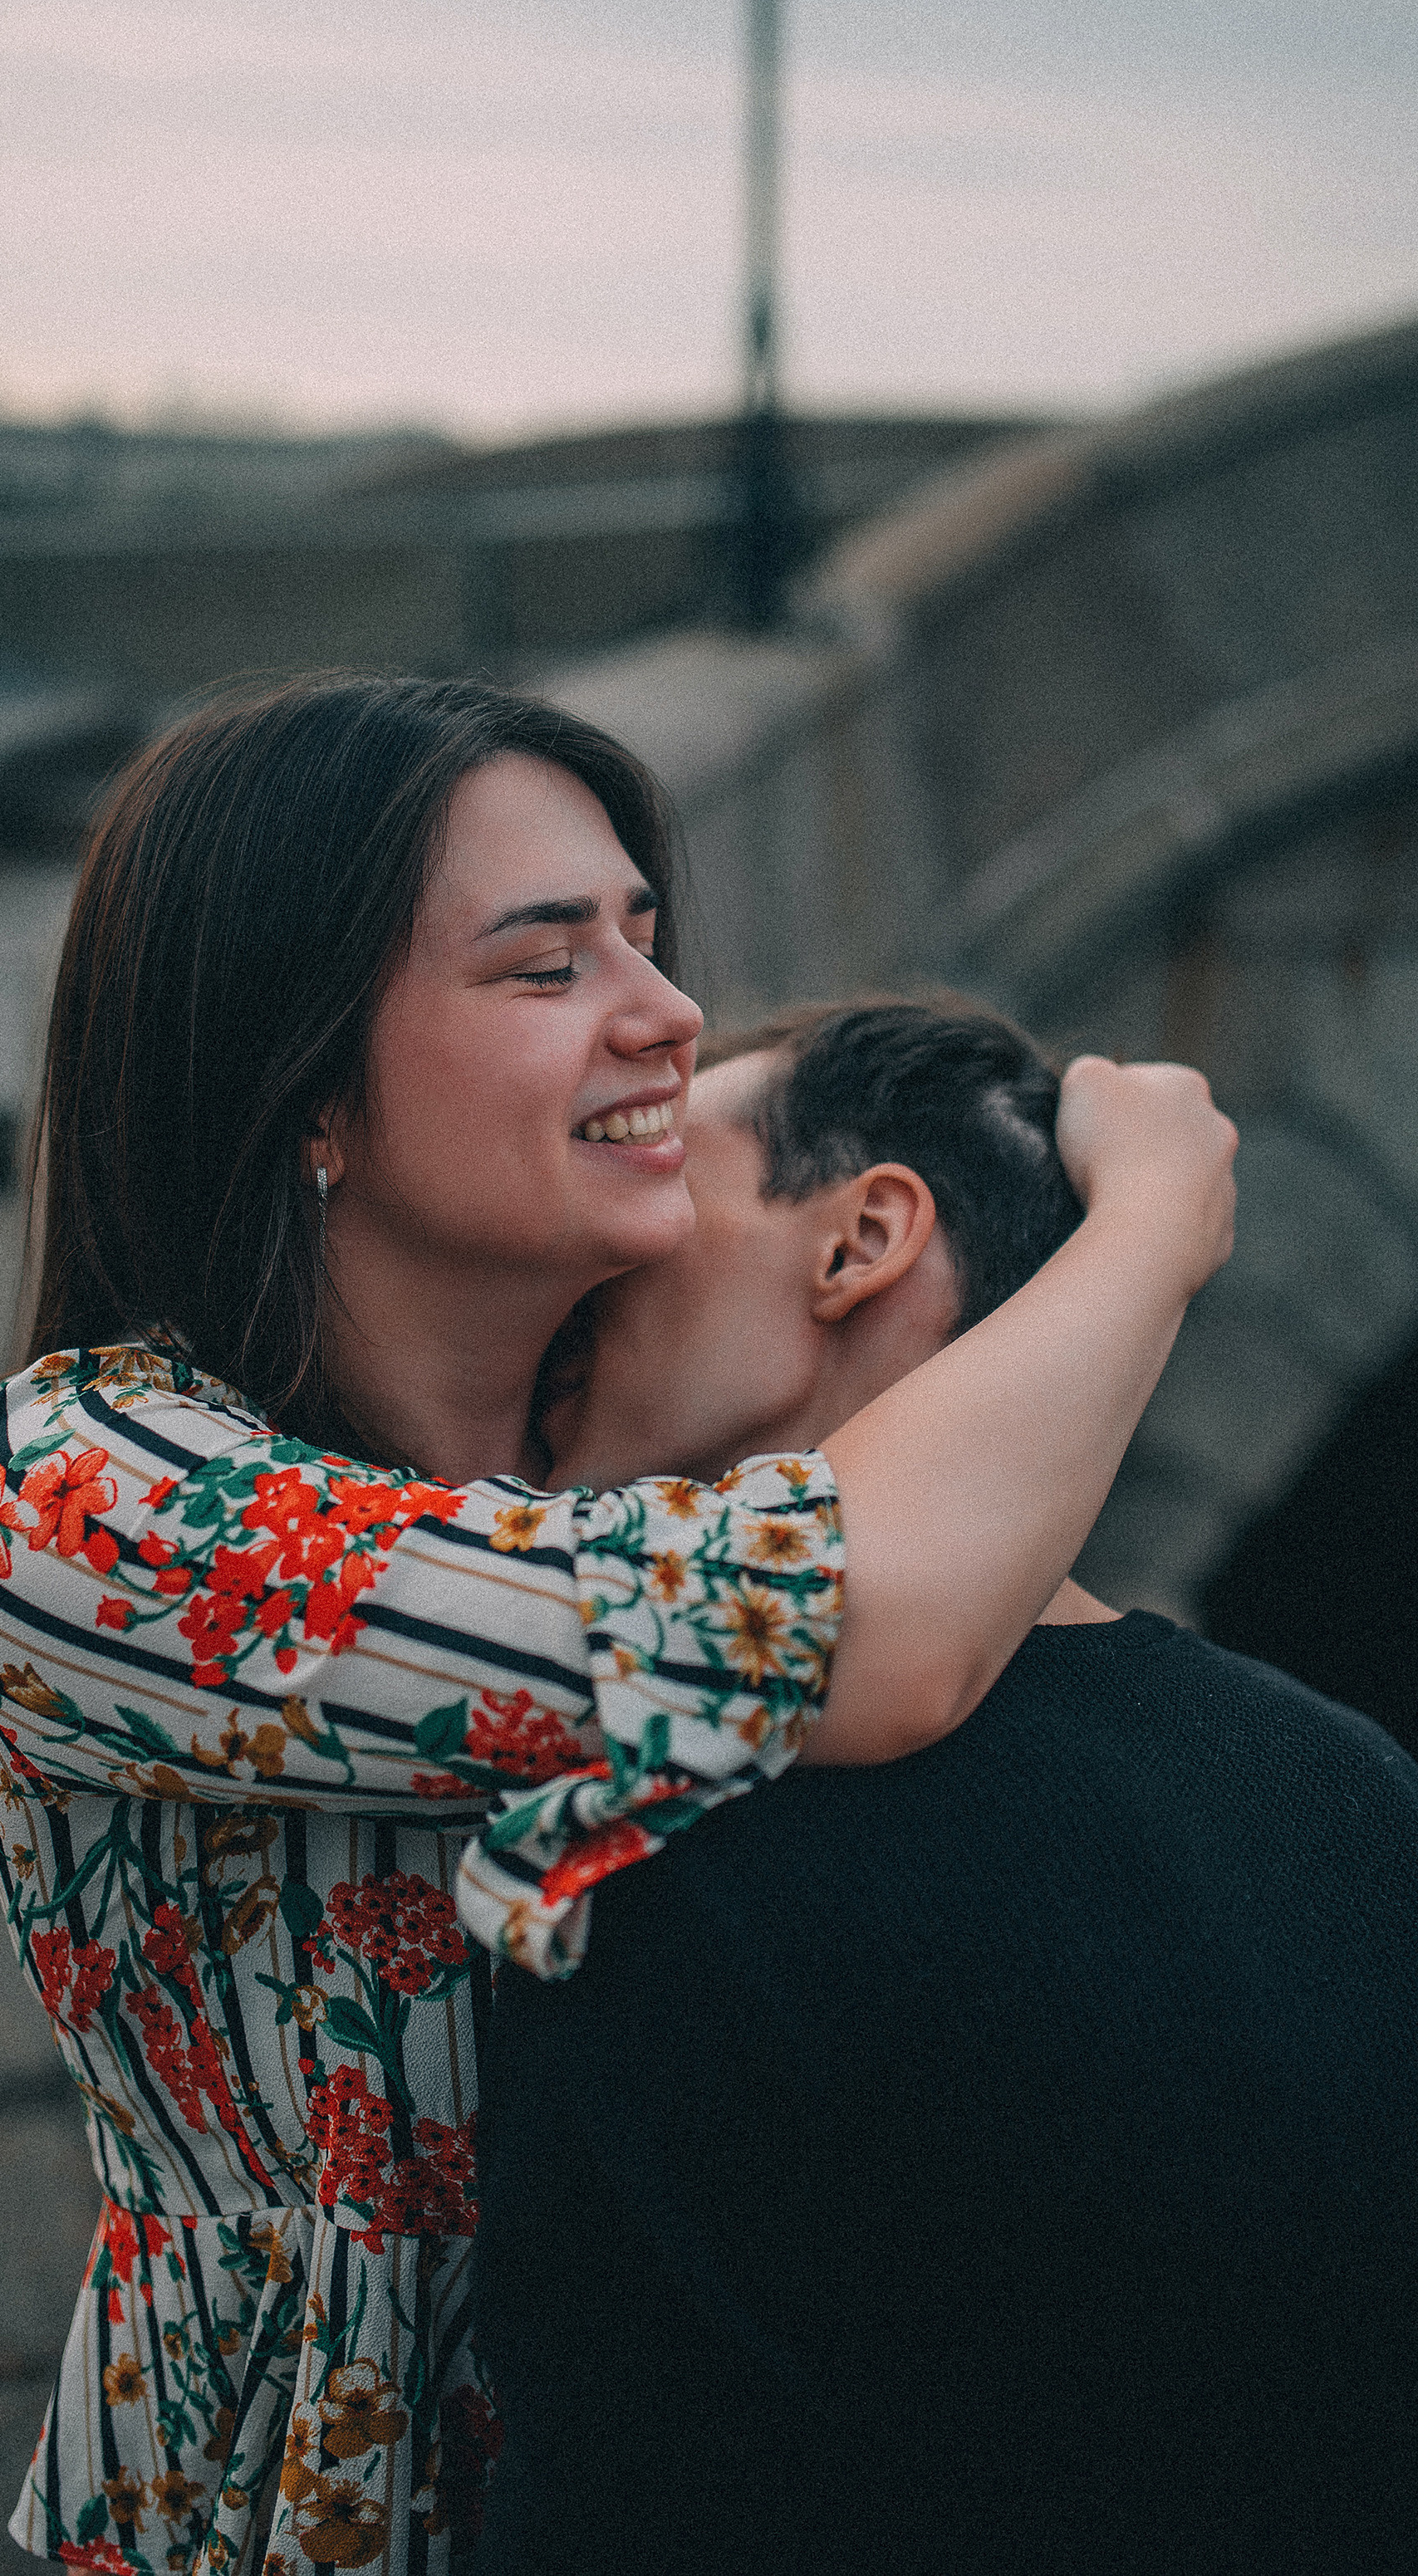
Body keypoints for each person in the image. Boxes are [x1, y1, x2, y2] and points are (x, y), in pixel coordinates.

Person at [0, 681, 1235, 2576]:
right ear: (304, 1092)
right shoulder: (85, 1498)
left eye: (644, 934)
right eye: (547, 965)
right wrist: (1154, 1219)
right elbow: (872, 1629)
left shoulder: (607, 1490)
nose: (669, 1009)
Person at [473, 999, 1418, 2575]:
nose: (576, 1252)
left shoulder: (655, 1827)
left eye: (660, 1179)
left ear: (862, 1239)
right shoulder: (1357, 1793)